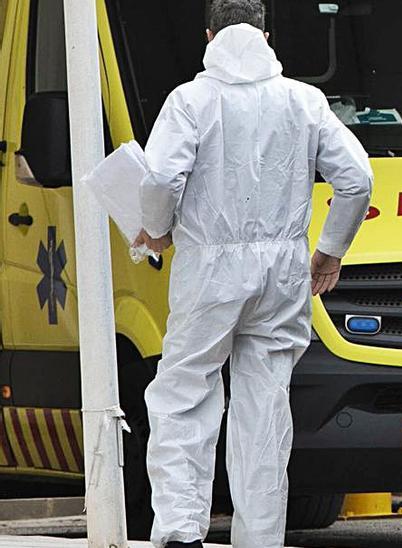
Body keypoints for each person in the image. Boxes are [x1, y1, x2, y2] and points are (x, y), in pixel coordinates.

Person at [133, 0, 372, 546]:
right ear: (267, 34)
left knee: (184, 394)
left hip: (210, 269)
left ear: (208, 35)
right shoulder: (305, 101)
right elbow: (356, 179)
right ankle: (259, 537)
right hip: (285, 269)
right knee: (265, 408)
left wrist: (156, 229)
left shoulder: (190, 101)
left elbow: (159, 180)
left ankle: (179, 529)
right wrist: (329, 252)